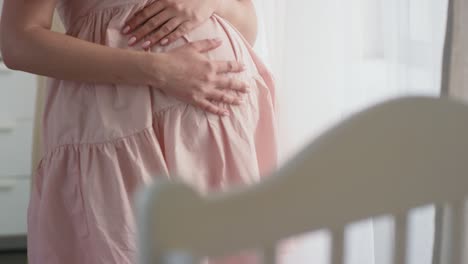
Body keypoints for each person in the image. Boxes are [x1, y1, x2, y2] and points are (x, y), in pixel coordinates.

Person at [0, 0, 277, 263]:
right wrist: (159, 70)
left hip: (223, 127)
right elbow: (17, 41)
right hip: (118, 132)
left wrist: (211, 3)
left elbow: (248, 25)